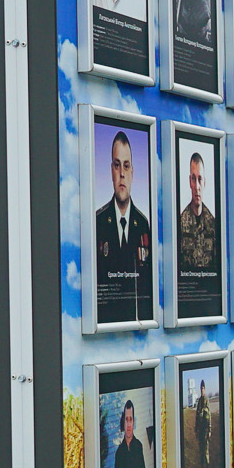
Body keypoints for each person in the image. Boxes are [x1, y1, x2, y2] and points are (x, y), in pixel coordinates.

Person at [95, 130, 151, 323]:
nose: (121, 174)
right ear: (111, 170)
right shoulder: (98, 223)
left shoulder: (143, 224)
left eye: (126, 166)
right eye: (117, 165)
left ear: (132, 172)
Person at [179, 150, 218, 273]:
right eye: (193, 179)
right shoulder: (180, 223)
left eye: (200, 179)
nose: (197, 186)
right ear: (189, 182)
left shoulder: (213, 224)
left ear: (204, 182)